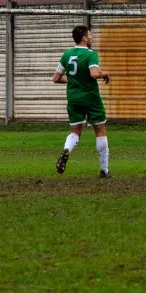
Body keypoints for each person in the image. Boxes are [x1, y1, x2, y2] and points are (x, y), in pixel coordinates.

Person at [53, 24, 112, 178]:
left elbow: (56, 78)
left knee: (75, 132)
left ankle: (67, 150)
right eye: (90, 35)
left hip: (73, 98)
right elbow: (94, 74)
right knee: (100, 129)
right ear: (85, 38)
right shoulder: (91, 54)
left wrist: (74, 81)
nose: (92, 37)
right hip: (90, 98)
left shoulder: (67, 55)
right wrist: (106, 73)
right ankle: (104, 170)